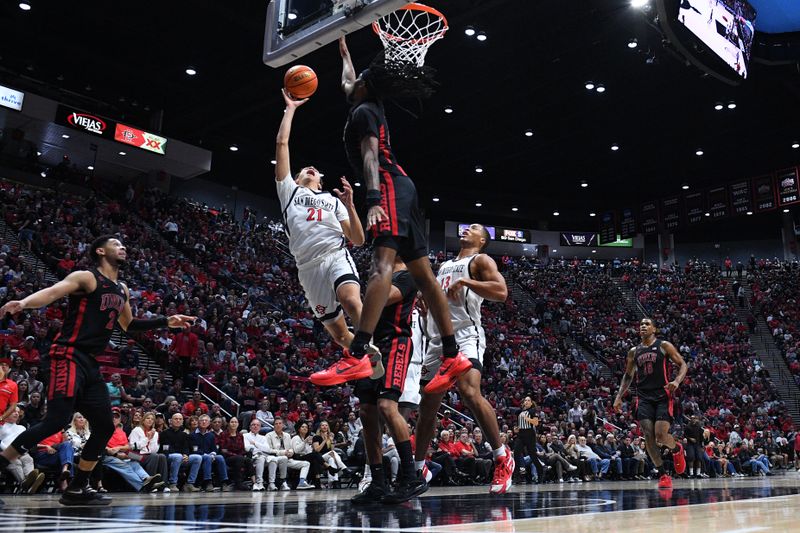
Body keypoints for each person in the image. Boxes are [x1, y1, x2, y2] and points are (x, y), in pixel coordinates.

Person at [0, 235, 194, 505]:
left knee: (103, 426)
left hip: (91, 363)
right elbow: (54, 291)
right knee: (57, 420)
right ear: (100, 251)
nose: (123, 247)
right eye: (116, 244)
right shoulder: (87, 278)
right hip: (67, 354)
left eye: (124, 244)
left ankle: (77, 488)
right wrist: (23, 303)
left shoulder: (122, 289)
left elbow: (128, 325)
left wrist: (165, 321)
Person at [337, 35, 472, 394]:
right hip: (403, 186)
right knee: (425, 277)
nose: (352, 86)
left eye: (358, 82)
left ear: (367, 86)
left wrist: (373, 198)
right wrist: (345, 53)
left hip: (387, 186)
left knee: (381, 265)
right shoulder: (366, 101)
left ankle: (359, 350)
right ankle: (452, 353)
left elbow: (369, 157)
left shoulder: (365, 112)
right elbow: (348, 83)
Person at [274, 88, 377, 385]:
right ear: (295, 178)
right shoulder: (289, 192)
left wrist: (350, 205)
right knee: (338, 332)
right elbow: (282, 143)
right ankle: (366, 362)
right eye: (306, 169)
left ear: (320, 182)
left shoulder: (333, 201)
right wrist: (290, 108)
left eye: (316, 171)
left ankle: (367, 352)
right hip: (307, 268)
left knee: (350, 299)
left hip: (334, 255)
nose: (311, 169)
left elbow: (357, 240)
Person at [413, 224, 515, 494]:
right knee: (428, 406)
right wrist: (424, 304)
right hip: (437, 339)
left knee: (469, 391)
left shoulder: (480, 260)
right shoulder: (444, 265)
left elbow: (501, 292)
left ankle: (502, 457)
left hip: (466, 335)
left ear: (482, 240)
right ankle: (417, 468)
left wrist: (468, 281)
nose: (467, 230)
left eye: (474, 229)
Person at [352, 257, 425, 504]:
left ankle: (411, 476)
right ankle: (378, 482)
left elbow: (381, 298)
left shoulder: (406, 275)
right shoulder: (379, 275)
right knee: (366, 412)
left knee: (386, 406)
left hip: (395, 343)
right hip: (370, 345)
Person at [613, 317, 687, 489]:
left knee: (661, 435)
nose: (643, 326)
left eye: (647, 324)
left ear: (654, 329)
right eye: (641, 324)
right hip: (643, 397)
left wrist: (676, 381)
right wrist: (619, 396)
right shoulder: (634, 351)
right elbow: (628, 375)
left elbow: (683, 364)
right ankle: (663, 474)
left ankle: (676, 450)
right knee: (648, 435)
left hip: (663, 395)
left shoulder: (664, 345)